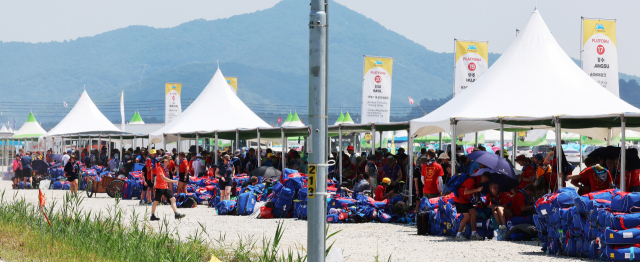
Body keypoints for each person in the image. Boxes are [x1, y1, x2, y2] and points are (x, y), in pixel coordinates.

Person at [454, 172, 490, 241]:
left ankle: (473, 234)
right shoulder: (472, 180)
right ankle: (458, 234)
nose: (485, 182)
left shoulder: (477, 182)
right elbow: (466, 192)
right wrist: (477, 190)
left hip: (466, 199)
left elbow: (471, 192)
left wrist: (478, 200)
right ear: (484, 178)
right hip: (460, 199)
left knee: (474, 213)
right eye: (486, 180)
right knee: (467, 216)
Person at [150, 156, 186, 221]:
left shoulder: (165, 168)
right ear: (165, 161)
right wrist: (173, 181)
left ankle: (176, 214)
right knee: (156, 201)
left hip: (165, 187)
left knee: (173, 199)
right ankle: (152, 215)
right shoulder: (160, 168)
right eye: (168, 160)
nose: (169, 162)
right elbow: (163, 178)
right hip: (160, 187)